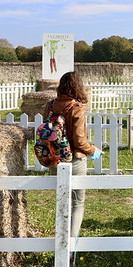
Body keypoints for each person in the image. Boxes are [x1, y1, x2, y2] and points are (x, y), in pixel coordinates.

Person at [44, 71, 102, 239]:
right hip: (74, 161)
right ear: (77, 86)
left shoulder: (49, 106)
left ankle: (60, 239)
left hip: (54, 160)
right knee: (77, 203)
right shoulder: (76, 108)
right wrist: (93, 151)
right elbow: (79, 141)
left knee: (62, 202)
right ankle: (70, 246)